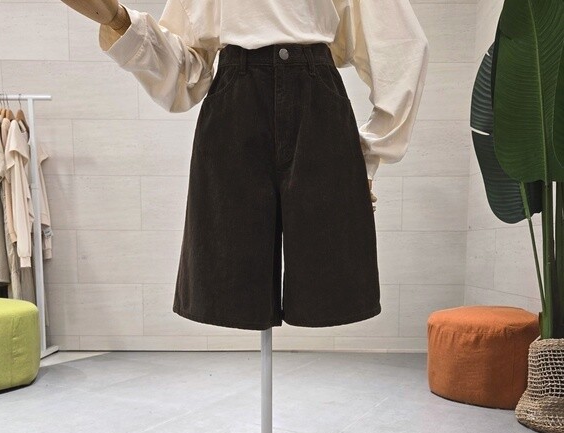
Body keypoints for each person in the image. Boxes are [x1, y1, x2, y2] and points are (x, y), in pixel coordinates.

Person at [61, 0, 429, 330]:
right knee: (227, 270)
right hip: (236, 98)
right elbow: (187, 72)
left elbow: (400, 44)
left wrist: (371, 154)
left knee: (330, 272)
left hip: (316, 101)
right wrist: (120, 21)